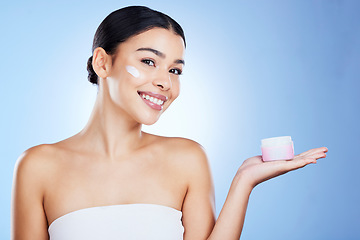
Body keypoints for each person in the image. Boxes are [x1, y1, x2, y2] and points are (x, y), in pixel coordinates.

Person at [11, 6, 328, 240]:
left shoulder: (187, 159)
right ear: (102, 62)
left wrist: (244, 181)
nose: (165, 82)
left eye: (175, 70)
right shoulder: (38, 166)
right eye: (148, 61)